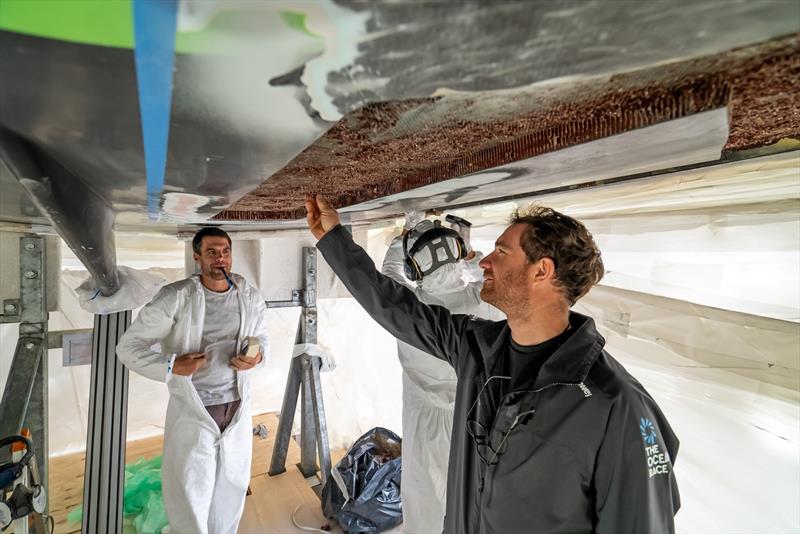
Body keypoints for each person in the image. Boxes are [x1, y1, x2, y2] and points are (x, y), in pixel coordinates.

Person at [305, 195, 680, 533]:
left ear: (541, 271)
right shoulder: (478, 347)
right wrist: (334, 240)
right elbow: (394, 307)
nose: (483, 260)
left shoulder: (618, 405)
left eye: (501, 251)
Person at [117, 227, 269, 534]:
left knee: (232, 484)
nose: (221, 259)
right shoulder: (176, 297)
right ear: (197, 257)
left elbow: (261, 335)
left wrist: (257, 356)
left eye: (225, 251)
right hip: (195, 408)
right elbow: (128, 348)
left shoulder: (247, 294)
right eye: (212, 252)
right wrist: (172, 366)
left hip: (236, 407)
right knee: (190, 487)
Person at [380, 213, 502, 534]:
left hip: (425, 419)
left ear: (414, 269)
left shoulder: (410, 309)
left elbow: (388, 272)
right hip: (475, 417)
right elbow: (489, 277)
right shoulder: (483, 299)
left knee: (426, 499)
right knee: (474, 498)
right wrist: (470, 260)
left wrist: (403, 233)